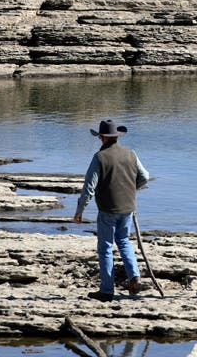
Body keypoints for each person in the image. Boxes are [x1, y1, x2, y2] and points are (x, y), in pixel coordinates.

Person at [74, 119, 150, 301]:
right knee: (124, 241)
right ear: (117, 136)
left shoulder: (99, 157)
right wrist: (133, 188)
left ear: (101, 138)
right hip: (128, 207)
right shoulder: (131, 154)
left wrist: (79, 211)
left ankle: (107, 290)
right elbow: (145, 177)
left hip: (108, 209)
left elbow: (88, 189)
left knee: (106, 248)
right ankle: (135, 278)